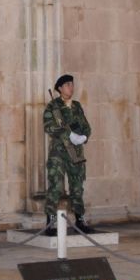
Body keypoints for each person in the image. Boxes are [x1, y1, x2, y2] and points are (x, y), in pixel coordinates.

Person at [43, 74, 94, 235]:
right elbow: (48, 127)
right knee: (56, 187)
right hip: (58, 152)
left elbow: (86, 126)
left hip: (76, 152)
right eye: (67, 85)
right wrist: (68, 134)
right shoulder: (53, 106)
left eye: (72, 84)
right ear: (60, 88)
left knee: (77, 187)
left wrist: (83, 137)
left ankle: (80, 220)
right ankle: (50, 222)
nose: (71, 88)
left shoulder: (77, 106)